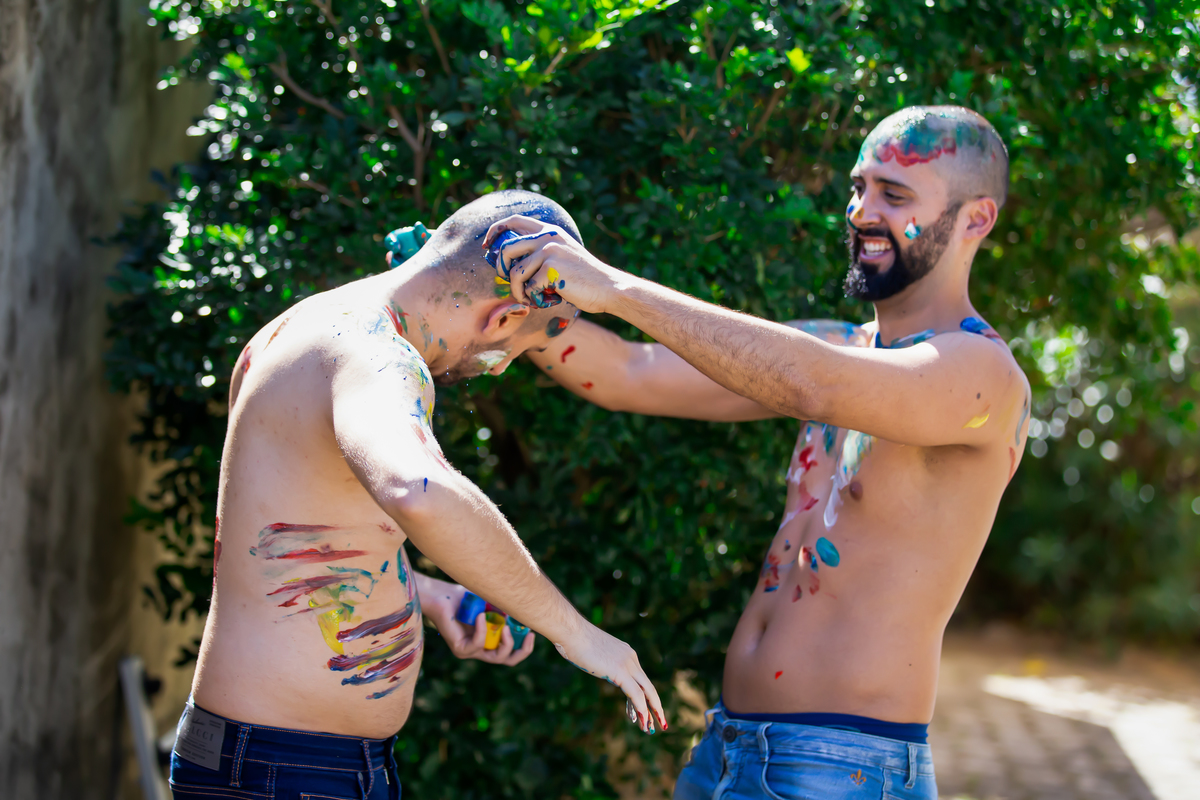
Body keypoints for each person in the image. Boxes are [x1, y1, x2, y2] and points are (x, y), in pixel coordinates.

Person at [485, 106, 1029, 799]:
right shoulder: (842, 347)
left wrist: (616, 288)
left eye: (894, 195)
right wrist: (486, 289)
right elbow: (632, 373)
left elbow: (812, 384)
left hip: (841, 765)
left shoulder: (982, 375)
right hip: (729, 746)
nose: (862, 211)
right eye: (859, 187)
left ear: (975, 219)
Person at [169, 191, 667, 800]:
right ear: (505, 317)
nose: (502, 366)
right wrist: (579, 634)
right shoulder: (376, 353)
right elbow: (419, 491)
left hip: (276, 758)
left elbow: (281, 529)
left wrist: (425, 595)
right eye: (517, 349)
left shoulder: (305, 323)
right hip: (285, 765)